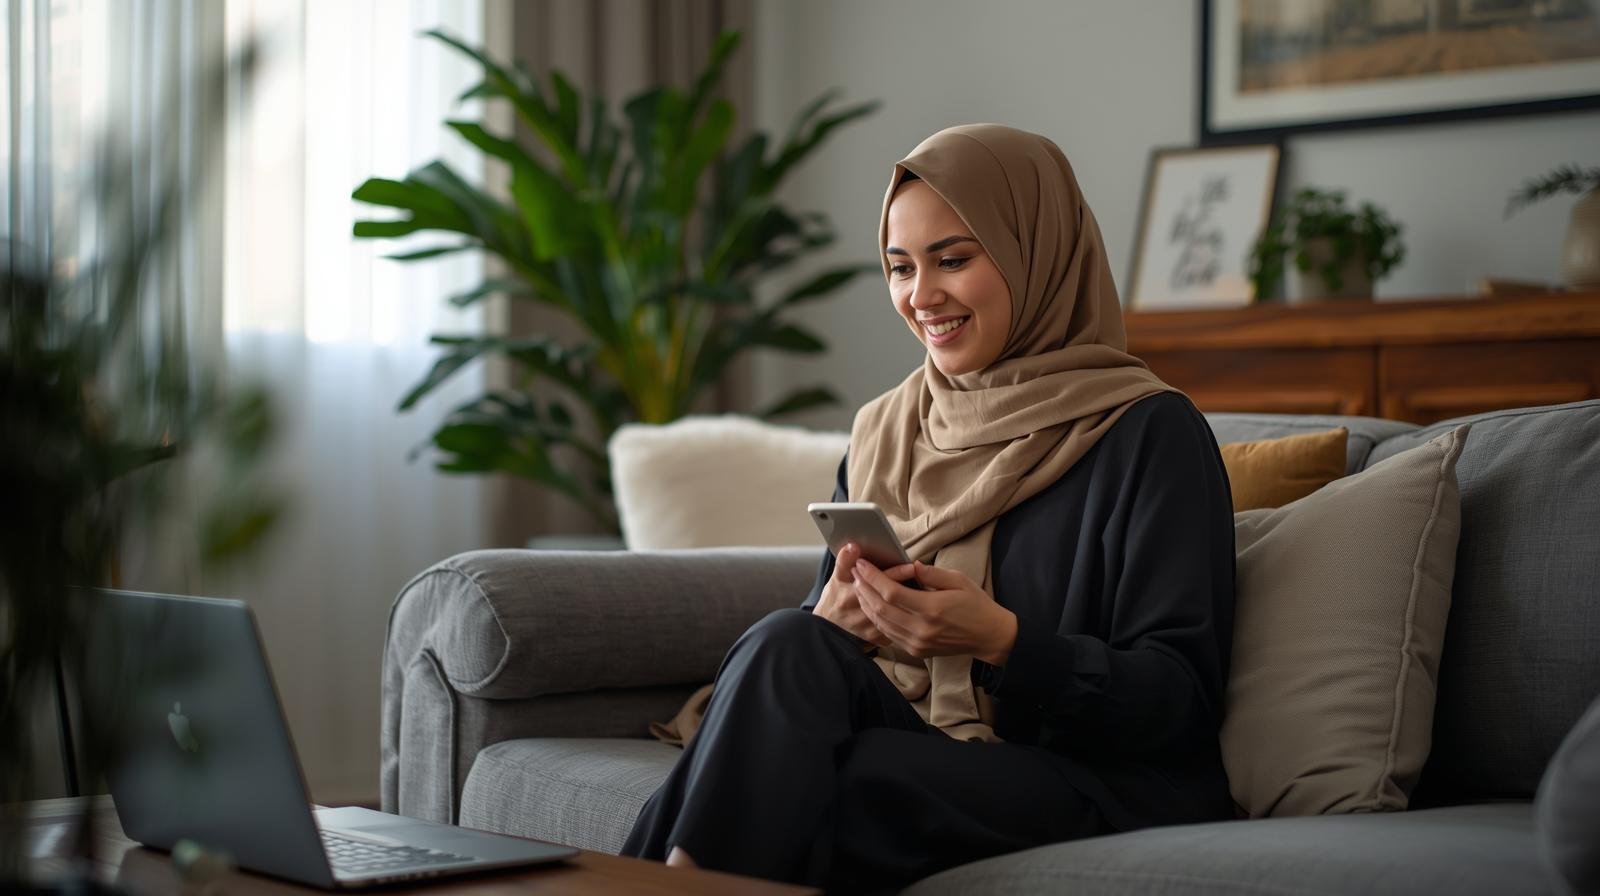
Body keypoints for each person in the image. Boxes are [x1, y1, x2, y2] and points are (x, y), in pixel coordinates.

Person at [619, 123, 1238, 894]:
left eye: (954, 259)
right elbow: (814, 657)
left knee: (843, 776)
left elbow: (1180, 701)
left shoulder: (1149, 431)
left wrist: (1006, 642)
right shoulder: (889, 427)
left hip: (1094, 777)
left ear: (1033, 251)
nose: (921, 296)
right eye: (900, 267)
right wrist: (837, 621)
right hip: (929, 742)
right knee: (791, 638)